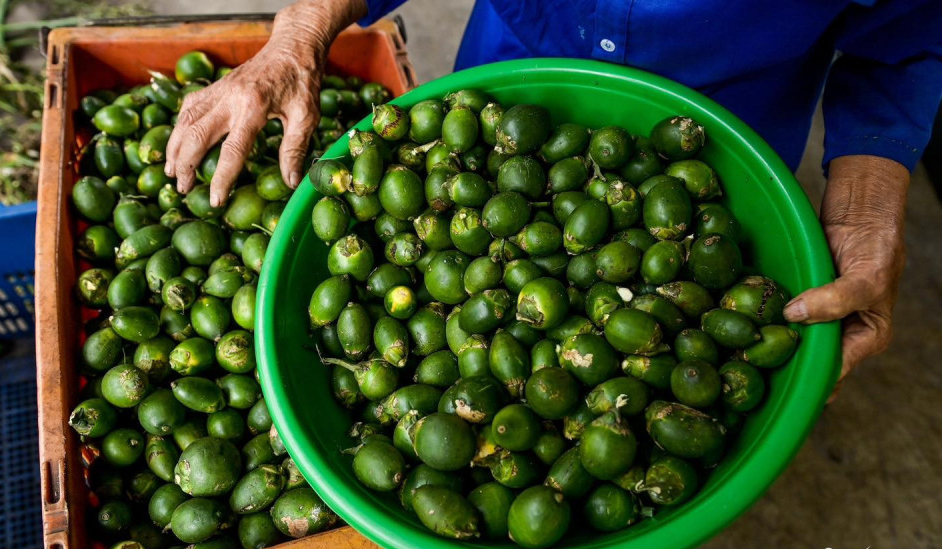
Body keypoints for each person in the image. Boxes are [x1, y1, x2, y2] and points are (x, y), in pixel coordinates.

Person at [164, 0, 942, 389]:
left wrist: (868, 207)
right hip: (507, 84)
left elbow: (909, 32)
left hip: (721, 150)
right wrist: (296, 34)